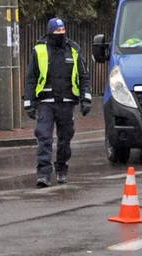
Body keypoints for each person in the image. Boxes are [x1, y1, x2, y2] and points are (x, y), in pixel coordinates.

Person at [23, 18, 92, 187]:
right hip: (46, 102)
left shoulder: (73, 50)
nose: (61, 34)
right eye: (57, 31)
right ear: (50, 32)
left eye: (63, 31)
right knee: (44, 137)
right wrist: (29, 103)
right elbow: (31, 78)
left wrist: (86, 99)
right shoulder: (39, 50)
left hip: (67, 102)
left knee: (65, 139)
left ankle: (61, 169)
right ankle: (43, 174)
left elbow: (83, 76)